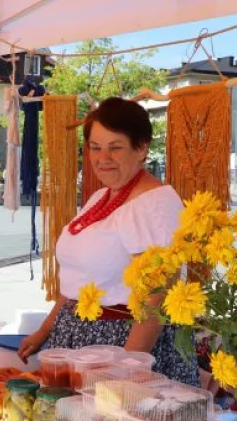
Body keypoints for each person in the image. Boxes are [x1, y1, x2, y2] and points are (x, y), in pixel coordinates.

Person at [17, 97, 198, 386]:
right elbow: (78, 279)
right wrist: (45, 330)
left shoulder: (153, 204)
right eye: (95, 148)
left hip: (122, 346)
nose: (103, 159)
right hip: (81, 339)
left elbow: (156, 299)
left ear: (141, 149)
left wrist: (124, 372)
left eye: (115, 148)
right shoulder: (102, 196)